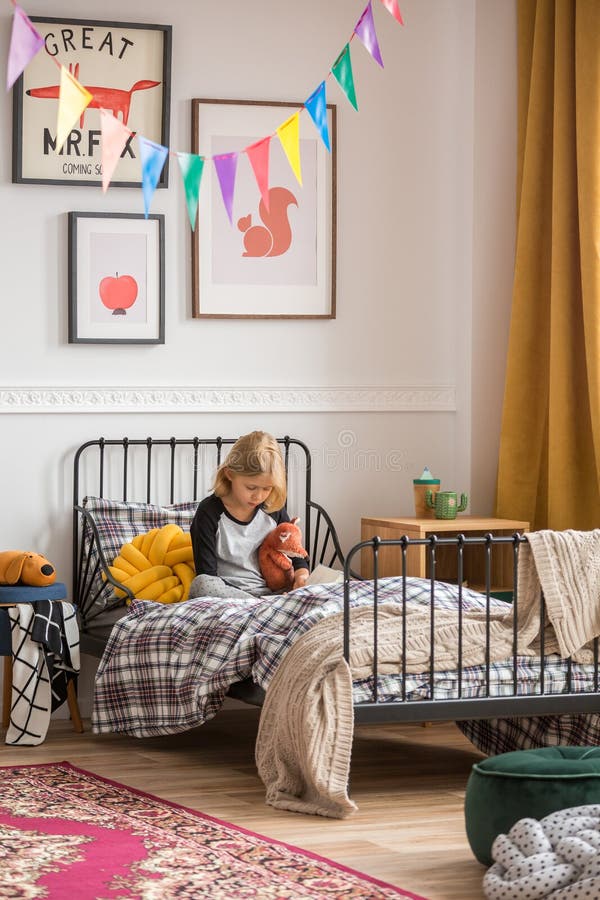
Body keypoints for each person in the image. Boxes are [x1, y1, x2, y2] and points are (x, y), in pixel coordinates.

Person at [189, 431, 309, 599]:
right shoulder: (209, 513)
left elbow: (296, 556)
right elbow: (207, 573)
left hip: (273, 593)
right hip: (228, 594)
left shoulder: (272, 510)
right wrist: (249, 599)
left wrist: (301, 576)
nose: (258, 496)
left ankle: (264, 605)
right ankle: (258, 605)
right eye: (251, 488)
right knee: (201, 584)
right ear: (230, 474)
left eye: (267, 489)